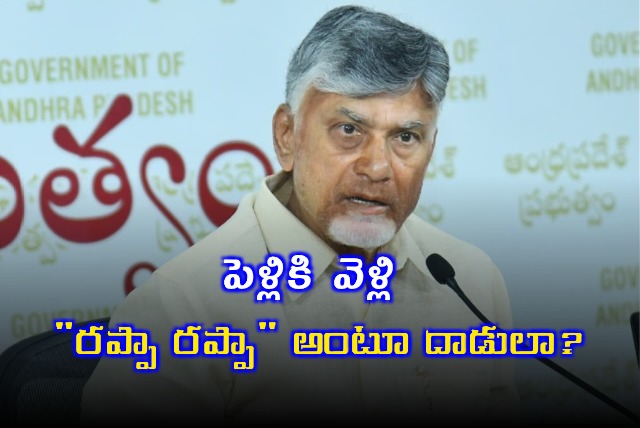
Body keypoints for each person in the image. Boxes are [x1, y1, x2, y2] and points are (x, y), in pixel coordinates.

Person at [80, 4, 520, 425]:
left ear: (431, 148)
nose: (377, 167)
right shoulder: (182, 309)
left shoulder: (471, 283)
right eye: (349, 130)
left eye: (405, 137)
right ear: (287, 136)